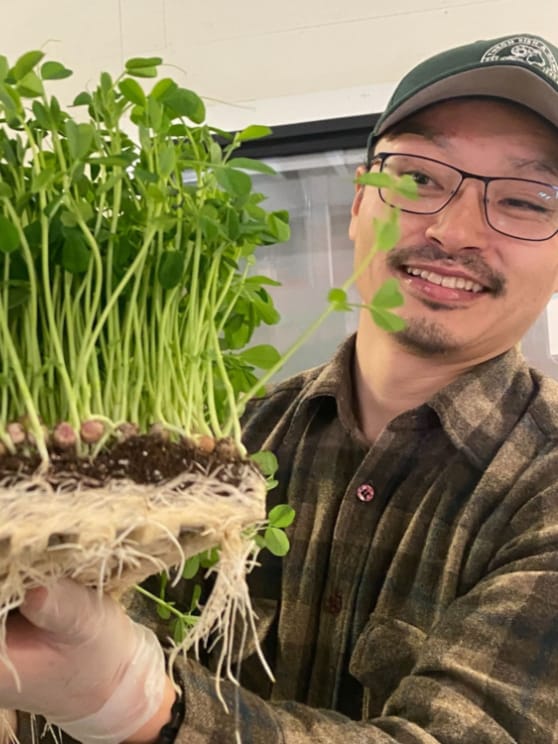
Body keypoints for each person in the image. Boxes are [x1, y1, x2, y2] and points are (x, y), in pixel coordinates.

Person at [3, 30, 558, 744]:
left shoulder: (542, 489)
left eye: (526, 199)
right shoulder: (226, 447)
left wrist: (131, 701)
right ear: (359, 203)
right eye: (419, 177)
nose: (453, 231)